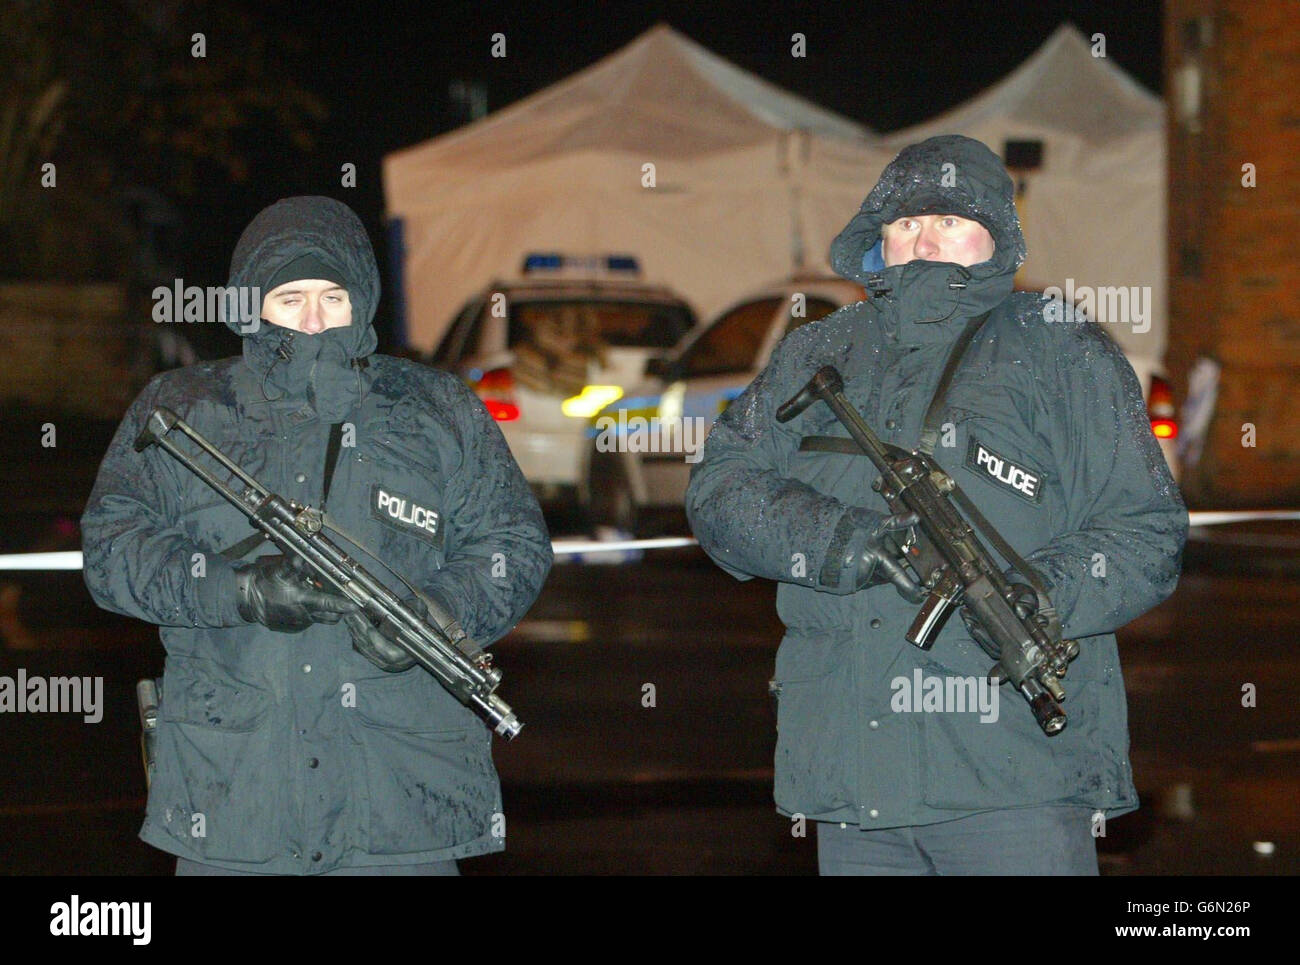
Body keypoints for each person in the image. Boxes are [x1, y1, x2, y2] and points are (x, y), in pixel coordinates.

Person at [685, 135, 1188, 875]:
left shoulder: (1059, 347)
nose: (923, 238)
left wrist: (1040, 594)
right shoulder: (817, 352)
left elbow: (1147, 531)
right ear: (875, 240)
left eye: (949, 220)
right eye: (904, 222)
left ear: (995, 238)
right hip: (853, 787)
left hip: (1016, 782)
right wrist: (843, 541)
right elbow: (720, 489)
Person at [81, 196, 553, 875]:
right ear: (251, 304)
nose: (311, 321)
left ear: (361, 301)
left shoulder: (435, 409)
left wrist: (438, 614)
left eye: (332, 298)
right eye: (289, 298)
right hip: (235, 809)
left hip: (402, 809)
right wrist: (235, 589)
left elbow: (514, 544)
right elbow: (109, 549)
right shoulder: (182, 407)